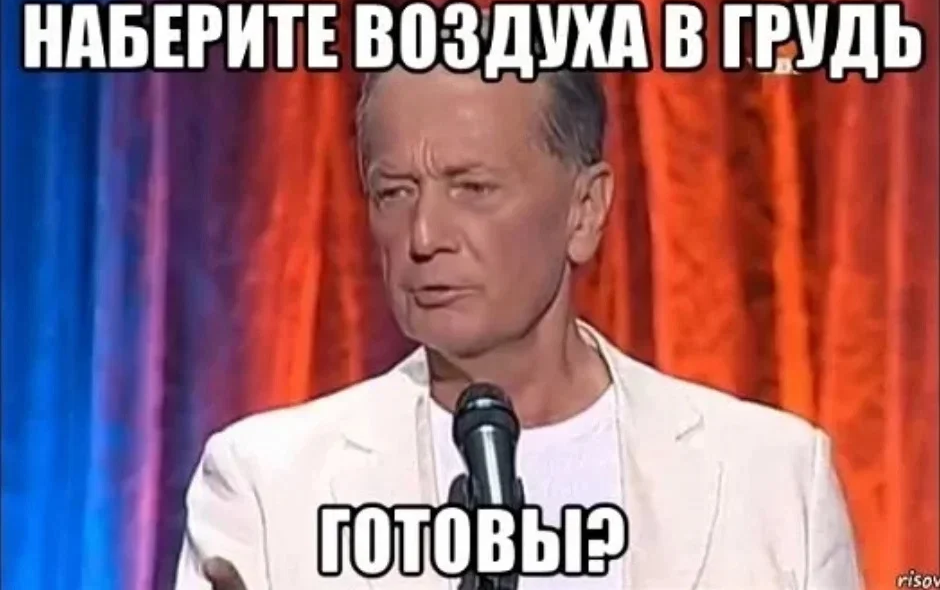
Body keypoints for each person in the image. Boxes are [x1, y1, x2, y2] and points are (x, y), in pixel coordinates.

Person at [174, 58, 863, 590]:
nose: (424, 235)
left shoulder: (775, 480)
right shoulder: (266, 489)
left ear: (584, 211)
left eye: (472, 188)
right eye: (394, 192)